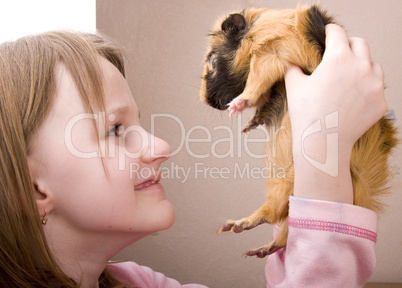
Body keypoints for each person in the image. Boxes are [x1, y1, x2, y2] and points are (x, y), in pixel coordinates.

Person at [0, 23, 385, 287]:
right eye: (115, 130)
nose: (161, 148)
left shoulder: (136, 281)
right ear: (34, 190)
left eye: (138, 125)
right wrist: (323, 150)